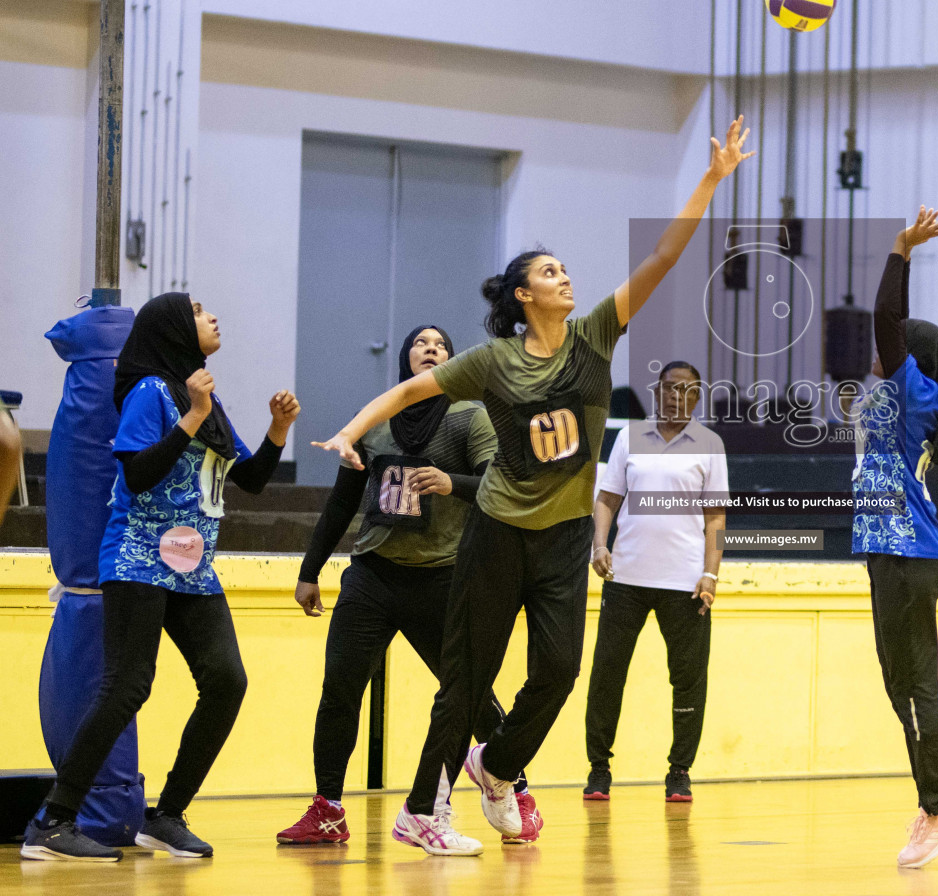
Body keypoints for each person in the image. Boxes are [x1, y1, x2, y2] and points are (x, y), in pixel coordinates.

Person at [313, 116, 754, 856]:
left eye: (563, 271)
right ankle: (421, 810)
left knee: (557, 670)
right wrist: (352, 431)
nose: (564, 278)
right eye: (549, 273)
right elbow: (406, 393)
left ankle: (495, 765)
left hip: (564, 537)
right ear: (522, 295)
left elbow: (664, 255)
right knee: (468, 676)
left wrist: (711, 178)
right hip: (495, 534)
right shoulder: (489, 362)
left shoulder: (594, 337)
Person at [23, 293, 298, 862]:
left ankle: (167, 815)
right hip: (137, 559)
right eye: (199, 311)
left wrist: (277, 430)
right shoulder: (151, 393)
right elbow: (140, 473)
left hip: (193, 570)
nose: (214, 317)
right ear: (174, 328)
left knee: (226, 682)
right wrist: (193, 415)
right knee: (128, 685)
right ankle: (54, 820)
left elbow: (249, 480)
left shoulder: (203, 396)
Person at [277, 326, 511, 845]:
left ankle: (509, 783)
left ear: (453, 361)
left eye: (442, 345)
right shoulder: (376, 418)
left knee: (467, 695)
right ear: (405, 355)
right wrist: (309, 570)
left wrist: (452, 482)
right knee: (338, 689)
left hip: (441, 580)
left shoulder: (467, 416)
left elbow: (498, 484)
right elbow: (342, 502)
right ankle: (328, 808)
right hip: (373, 577)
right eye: (422, 342)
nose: (432, 349)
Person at [853, 207, 938, 869]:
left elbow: (884, 319)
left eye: (892, 349)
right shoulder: (898, 395)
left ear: (914, 362)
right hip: (892, 551)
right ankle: (935, 803)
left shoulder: (913, 393)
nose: (878, 354)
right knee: (898, 681)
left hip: (906, 551)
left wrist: (900, 250)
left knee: (913, 684)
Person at [582, 360, 728, 802]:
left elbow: (716, 517)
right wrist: (600, 545)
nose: (675, 395)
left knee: (688, 679)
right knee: (608, 673)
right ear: (657, 391)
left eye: (685, 389)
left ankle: (679, 771)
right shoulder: (630, 437)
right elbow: (607, 499)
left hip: (686, 582)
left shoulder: (710, 444)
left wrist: (710, 573)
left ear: (697, 397)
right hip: (625, 576)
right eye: (668, 387)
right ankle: (599, 769)